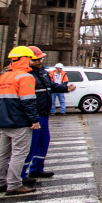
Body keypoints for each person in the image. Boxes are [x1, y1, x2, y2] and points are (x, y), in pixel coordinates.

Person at [22, 46, 75, 179]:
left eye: (41, 59)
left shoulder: (43, 73)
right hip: (34, 115)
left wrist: (66, 88)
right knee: (30, 145)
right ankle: (21, 174)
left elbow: (51, 87)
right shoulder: (26, 75)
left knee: (43, 141)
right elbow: (26, 100)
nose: (40, 61)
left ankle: (36, 168)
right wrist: (32, 118)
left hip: (43, 113)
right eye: (36, 59)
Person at [0, 46, 40, 195]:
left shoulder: (3, 77)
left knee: (2, 153)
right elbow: (28, 101)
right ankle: (13, 184)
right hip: (20, 122)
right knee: (19, 153)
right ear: (26, 59)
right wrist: (34, 120)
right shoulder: (25, 77)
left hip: (3, 121)